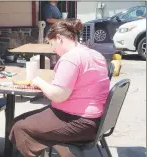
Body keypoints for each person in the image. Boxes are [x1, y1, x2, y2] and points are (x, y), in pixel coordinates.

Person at [9, 19, 110, 157]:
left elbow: (58, 95)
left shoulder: (71, 58)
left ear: (59, 38)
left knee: (19, 126)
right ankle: (67, 154)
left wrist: (39, 81)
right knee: (26, 120)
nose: (53, 49)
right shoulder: (94, 54)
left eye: (52, 44)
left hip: (77, 121)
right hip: (94, 120)